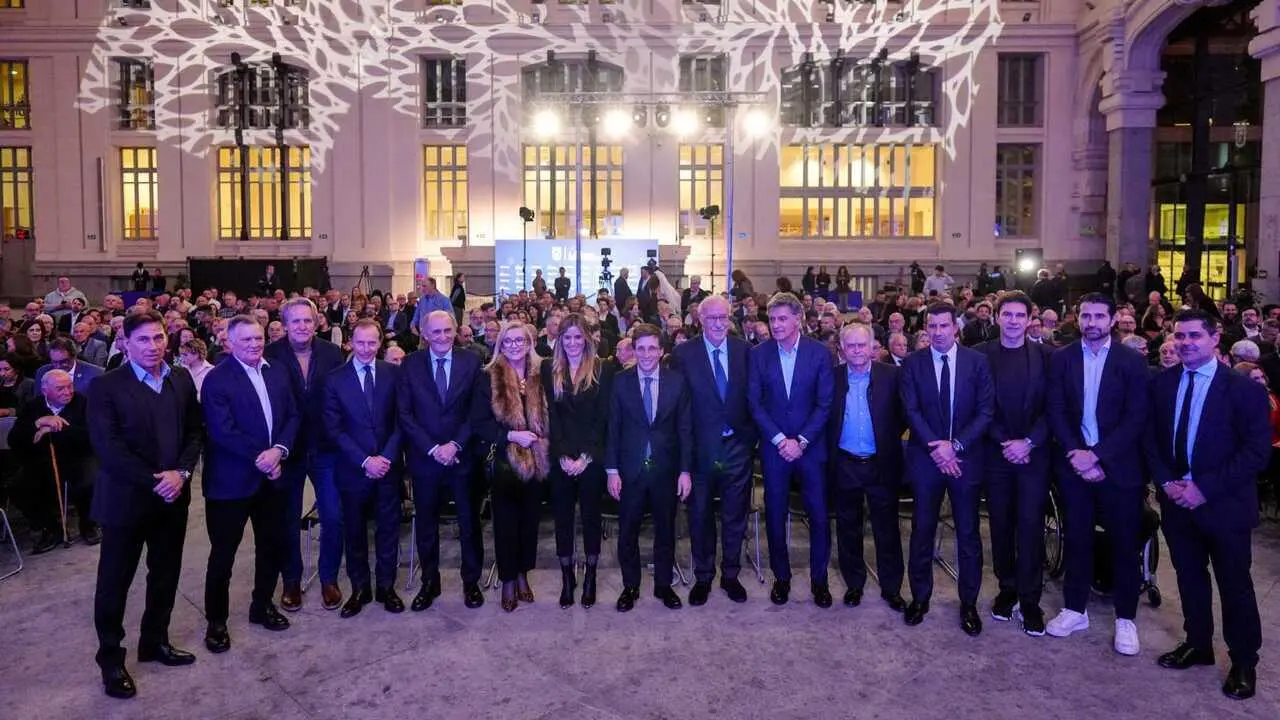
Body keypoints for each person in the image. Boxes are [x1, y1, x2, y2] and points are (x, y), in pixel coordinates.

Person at [1145, 310, 1269, 700]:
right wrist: (1167, 482)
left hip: (1224, 505)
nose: (1185, 343)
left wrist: (1204, 488)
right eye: (1180, 336)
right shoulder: (1162, 383)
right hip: (1176, 502)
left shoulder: (1244, 389)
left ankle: (1244, 661)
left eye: (1194, 336)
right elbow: (1151, 440)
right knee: (1189, 577)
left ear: (1215, 339)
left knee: (1235, 584)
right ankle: (1197, 643)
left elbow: (1256, 452)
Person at [87, 310, 204, 700]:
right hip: (126, 502)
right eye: (143, 339)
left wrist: (182, 473)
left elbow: (194, 432)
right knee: (114, 584)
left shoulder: (180, 378)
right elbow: (109, 448)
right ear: (125, 342)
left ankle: (155, 641)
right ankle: (111, 660)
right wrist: (158, 481)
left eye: (158, 338)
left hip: (173, 499)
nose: (153, 346)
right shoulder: (107, 386)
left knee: (165, 575)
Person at [1045, 292, 1151, 655]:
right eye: (1086, 316)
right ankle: (1075, 609)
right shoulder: (1062, 358)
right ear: (1078, 318)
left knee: (1124, 544)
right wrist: (1077, 454)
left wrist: (1097, 456)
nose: (1091, 323)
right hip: (1074, 465)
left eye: (1098, 316)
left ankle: (1126, 618)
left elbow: (1136, 417)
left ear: (1112, 319)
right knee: (1077, 539)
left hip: (1119, 468)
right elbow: (1056, 409)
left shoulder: (1131, 361)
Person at [200, 315, 300, 654]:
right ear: (229, 342)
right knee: (223, 555)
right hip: (231, 483)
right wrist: (264, 458)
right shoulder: (217, 379)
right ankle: (216, 622)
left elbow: (293, 415)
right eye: (246, 340)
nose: (255, 344)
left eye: (258, 338)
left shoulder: (277, 371)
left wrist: (280, 450)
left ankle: (262, 605)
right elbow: (222, 431)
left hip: (271, 478)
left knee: (270, 546)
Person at [899, 302, 994, 634]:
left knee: (968, 533)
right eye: (932, 326)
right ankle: (920, 598)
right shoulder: (913, 363)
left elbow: (985, 411)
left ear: (956, 328)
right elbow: (910, 411)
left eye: (943, 326)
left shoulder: (977, 362)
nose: (937, 332)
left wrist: (955, 447)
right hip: (926, 460)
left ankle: (968, 603)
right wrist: (937, 448)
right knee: (922, 530)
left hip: (965, 459)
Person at [748, 292, 834, 606]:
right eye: (772, 319)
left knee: (819, 516)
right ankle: (781, 578)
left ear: (798, 319)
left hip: (811, 449)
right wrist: (779, 440)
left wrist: (802, 441)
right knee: (774, 514)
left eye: (782, 318)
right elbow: (754, 403)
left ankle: (819, 581)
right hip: (775, 450)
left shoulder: (819, 353)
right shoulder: (758, 354)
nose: (776, 325)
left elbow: (825, 404)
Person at [670, 294, 757, 605]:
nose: (719, 323)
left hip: (736, 446)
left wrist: (750, 439)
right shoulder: (683, 354)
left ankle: (731, 575)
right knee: (700, 514)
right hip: (701, 450)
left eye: (724, 317)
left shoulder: (744, 351)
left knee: (735, 515)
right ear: (700, 320)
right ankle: (704, 576)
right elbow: (680, 407)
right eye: (712, 318)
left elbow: (754, 397)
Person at [397, 310, 487, 610]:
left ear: (455, 330)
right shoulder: (410, 364)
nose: (443, 337)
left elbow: (476, 411)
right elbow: (405, 414)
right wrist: (433, 448)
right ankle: (429, 583)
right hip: (425, 459)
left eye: (448, 330)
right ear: (425, 334)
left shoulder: (471, 361)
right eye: (436, 332)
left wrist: (455, 445)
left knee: (469, 523)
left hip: (462, 458)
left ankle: (471, 583)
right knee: (426, 525)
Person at [975, 292, 1054, 636]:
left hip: (1034, 455)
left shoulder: (1047, 356)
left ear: (1029, 319)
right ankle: (1007, 589)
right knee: (1001, 526)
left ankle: (1031, 600)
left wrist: (1029, 442)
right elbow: (978, 405)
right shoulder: (980, 355)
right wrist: (1004, 442)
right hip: (996, 454)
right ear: (997, 317)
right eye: (1007, 314)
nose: (1012, 321)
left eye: (1019, 315)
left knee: (1031, 527)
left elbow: (1054, 407)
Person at [265, 298, 347, 612]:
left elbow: (340, 398)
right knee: (287, 519)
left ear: (317, 323)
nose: (302, 326)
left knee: (333, 516)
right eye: (296, 321)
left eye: (307, 321)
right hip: (288, 450)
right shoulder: (270, 354)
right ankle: (291, 580)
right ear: (285, 325)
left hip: (326, 447)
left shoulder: (332, 352)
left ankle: (329, 578)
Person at [606, 323, 693, 612]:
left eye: (652, 348)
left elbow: (685, 430)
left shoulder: (677, 382)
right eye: (640, 348)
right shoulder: (620, 381)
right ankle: (630, 586)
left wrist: (685, 471)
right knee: (627, 532)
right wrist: (612, 470)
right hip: (629, 471)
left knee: (665, 531)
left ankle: (663, 586)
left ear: (661, 351)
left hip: (666, 471)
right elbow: (613, 428)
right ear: (633, 350)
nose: (646, 354)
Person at [323, 320, 405, 618]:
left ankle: (386, 586)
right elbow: (334, 429)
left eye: (372, 342)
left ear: (380, 342)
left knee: (389, 529)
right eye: (360, 342)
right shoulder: (334, 380)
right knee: (354, 531)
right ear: (350, 342)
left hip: (388, 467)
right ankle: (360, 588)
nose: (366, 348)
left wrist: (385, 458)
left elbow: (401, 421)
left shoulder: (394, 374)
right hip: (353, 469)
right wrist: (365, 460)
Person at [826, 324, 907, 611]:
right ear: (842, 349)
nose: (857, 351)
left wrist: (887, 438)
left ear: (873, 346)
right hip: (845, 463)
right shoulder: (832, 378)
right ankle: (854, 585)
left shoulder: (893, 376)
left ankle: (892, 588)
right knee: (848, 528)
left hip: (881, 464)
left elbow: (904, 414)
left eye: (862, 345)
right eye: (851, 346)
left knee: (887, 529)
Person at [474, 321, 550, 612]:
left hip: (538, 461)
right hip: (504, 461)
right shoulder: (488, 376)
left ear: (529, 343)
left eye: (520, 340)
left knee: (530, 523)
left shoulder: (541, 374)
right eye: (508, 341)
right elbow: (479, 423)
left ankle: (522, 574)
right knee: (506, 525)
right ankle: (507, 579)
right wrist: (511, 435)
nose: (515, 345)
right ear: (500, 345)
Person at [542, 313, 614, 608]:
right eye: (567, 337)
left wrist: (585, 457)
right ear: (560, 339)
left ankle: (591, 576)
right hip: (560, 457)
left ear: (587, 339)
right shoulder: (548, 368)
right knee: (562, 519)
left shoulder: (602, 368)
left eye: (577, 337)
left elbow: (603, 417)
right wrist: (562, 455)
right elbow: (550, 415)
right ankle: (566, 577)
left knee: (591, 517)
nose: (572, 343)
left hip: (591, 458)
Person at [8, 369, 97, 553]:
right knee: (18, 487)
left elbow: (93, 436)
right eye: (60, 389)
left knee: (89, 481)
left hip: (78, 457)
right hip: (43, 459)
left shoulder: (83, 402)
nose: (67, 392)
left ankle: (89, 524)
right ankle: (51, 527)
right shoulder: (34, 406)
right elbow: (14, 439)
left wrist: (58, 428)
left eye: (69, 386)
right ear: (45, 391)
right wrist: (37, 424)